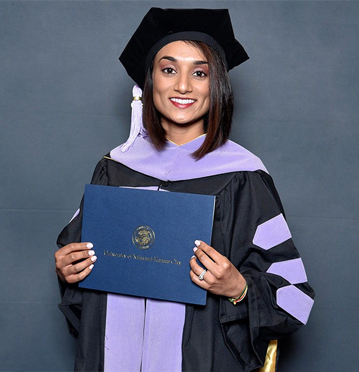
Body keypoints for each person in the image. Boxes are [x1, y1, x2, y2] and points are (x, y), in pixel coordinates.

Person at [55, 8, 315, 372]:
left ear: (217, 85)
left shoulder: (243, 178)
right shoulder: (114, 169)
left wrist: (239, 288)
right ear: (149, 83)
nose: (182, 86)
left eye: (199, 73)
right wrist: (69, 269)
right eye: (168, 69)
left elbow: (294, 299)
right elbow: (84, 281)